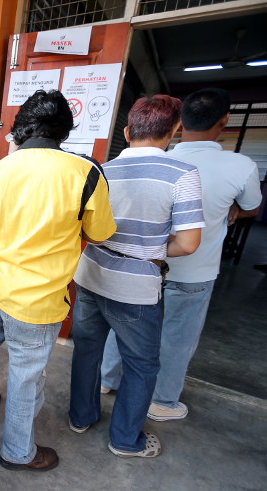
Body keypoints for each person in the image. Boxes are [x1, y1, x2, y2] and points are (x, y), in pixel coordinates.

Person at [0, 89, 117, 472]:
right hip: (38, 301)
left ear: (20, 129)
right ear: (64, 130)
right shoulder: (85, 172)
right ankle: (17, 452)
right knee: (26, 378)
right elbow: (99, 233)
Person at [98, 88, 262, 421]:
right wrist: (232, 208)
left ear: (178, 125)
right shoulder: (238, 165)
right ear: (224, 121)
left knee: (122, 326)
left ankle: (105, 380)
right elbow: (251, 207)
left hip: (136, 266)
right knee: (177, 337)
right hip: (193, 271)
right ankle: (161, 401)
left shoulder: (147, 162)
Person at [69, 95, 205, 459]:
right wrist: (150, 248)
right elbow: (189, 243)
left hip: (91, 275)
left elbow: (85, 228)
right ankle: (125, 440)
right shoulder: (182, 174)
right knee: (141, 364)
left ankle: (81, 417)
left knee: (87, 350)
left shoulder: (102, 171)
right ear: (174, 131)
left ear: (128, 132)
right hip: (136, 288)